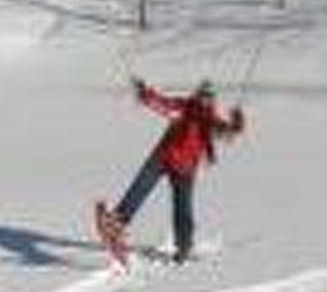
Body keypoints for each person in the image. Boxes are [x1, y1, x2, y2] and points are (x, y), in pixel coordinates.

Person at [100, 78, 246, 262]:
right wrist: (146, 93)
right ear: (196, 94)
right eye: (202, 94)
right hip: (162, 157)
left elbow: (226, 132)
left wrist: (237, 123)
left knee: (182, 207)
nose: (204, 99)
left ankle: (183, 245)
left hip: (185, 168)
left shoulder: (209, 120)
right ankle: (118, 222)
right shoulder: (183, 107)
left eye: (208, 96)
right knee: (140, 187)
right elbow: (162, 104)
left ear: (213, 100)